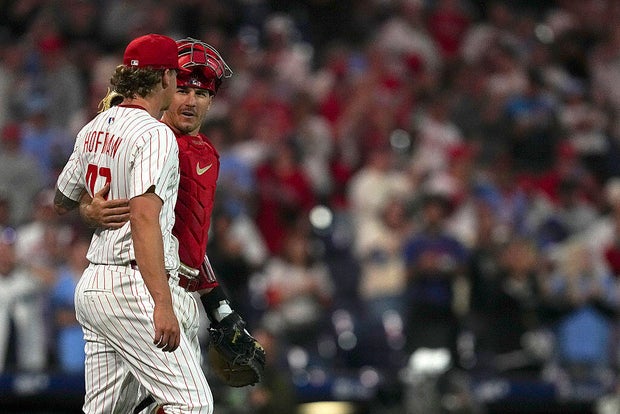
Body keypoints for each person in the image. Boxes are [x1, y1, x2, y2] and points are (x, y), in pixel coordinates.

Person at [81, 37, 265, 411]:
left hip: (169, 287)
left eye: (201, 93)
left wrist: (219, 306)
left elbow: (189, 245)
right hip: (147, 286)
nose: (191, 101)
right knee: (191, 404)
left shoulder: (206, 153)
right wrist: (88, 210)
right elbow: (107, 200)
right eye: (182, 89)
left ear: (212, 101)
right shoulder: (155, 142)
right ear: (166, 89)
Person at [54, 34, 213, 413]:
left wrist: (88, 210)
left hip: (93, 284)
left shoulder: (94, 126)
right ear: (164, 79)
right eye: (175, 75)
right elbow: (143, 216)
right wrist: (162, 303)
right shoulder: (155, 134)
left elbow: (61, 200)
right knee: (192, 405)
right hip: (132, 285)